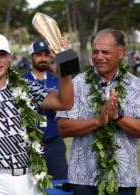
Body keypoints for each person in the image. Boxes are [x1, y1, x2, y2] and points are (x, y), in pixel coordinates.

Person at [0, 32, 79, 195]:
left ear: (9, 57)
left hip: (28, 178)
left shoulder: (27, 87)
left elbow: (65, 102)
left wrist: (65, 62)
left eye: (2, 54)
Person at [56, 28, 140, 195]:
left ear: (121, 52)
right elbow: (62, 128)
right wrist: (98, 121)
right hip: (83, 179)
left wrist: (117, 116)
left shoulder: (136, 86)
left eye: (105, 52)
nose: (99, 57)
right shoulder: (78, 83)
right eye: (95, 52)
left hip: (123, 179)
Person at [22, 40, 68, 179]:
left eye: (46, 55)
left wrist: (59, 109)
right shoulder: (21, 81)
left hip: (54, 141)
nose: (43, 58)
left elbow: (68, 107)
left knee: (61, 183)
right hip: (28, 145)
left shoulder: (57, 81)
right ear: (31, 57)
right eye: (38, 55)